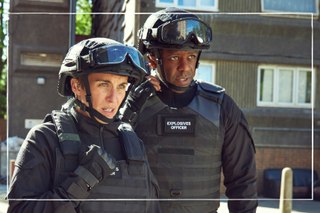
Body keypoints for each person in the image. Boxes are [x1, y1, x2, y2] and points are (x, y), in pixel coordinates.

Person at [121, 7, 258, 213]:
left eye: (191, 56)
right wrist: (128, 109)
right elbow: (104, 157)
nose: (185, 67)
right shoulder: (130, 104)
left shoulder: (222, 107)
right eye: (175, 58)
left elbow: (243, 182)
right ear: (152, 60)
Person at [7, 38, 161, 213]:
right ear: (76, 85)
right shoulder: (45, 138)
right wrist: (80, 183)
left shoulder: (132, 144)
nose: (114, 98)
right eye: (104, 84)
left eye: (121, 86)